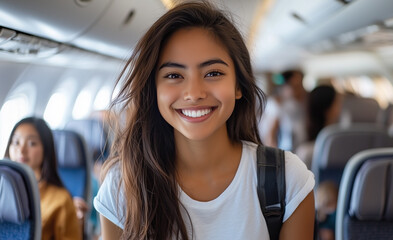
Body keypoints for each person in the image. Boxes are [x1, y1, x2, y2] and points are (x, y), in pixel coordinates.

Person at [94, 2, 315, 239]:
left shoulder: (288, 180)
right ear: (153, 90)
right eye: (174, 75)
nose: (194, 93)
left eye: (213, 73)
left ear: (238, 85)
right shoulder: (122, 187)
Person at [4, 117, 82, 240]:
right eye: (16, 142)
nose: (21, 150)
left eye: (31, 143)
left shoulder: (61, 200)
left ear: (46, 149)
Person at [295, 85, 342, 169]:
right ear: (328, 109)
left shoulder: (306, 150)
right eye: (337, 103)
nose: (340, 109)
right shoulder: (307, 152)